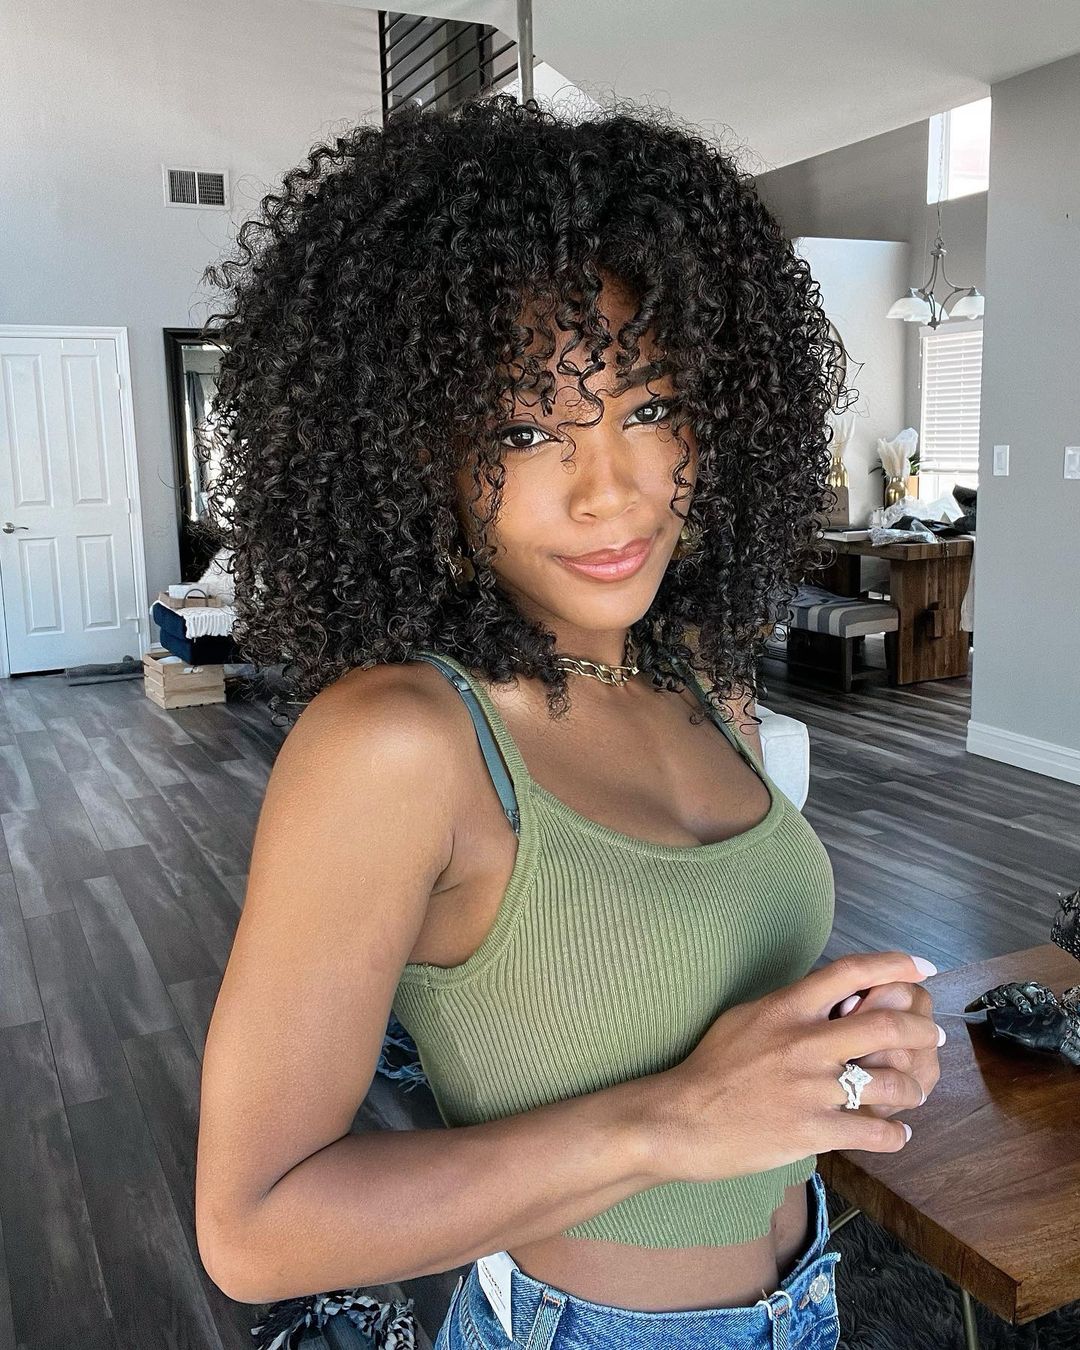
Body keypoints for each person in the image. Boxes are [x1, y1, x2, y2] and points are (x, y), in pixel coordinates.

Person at [193, 94, 942, 1350]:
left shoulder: (699, 674)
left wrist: (831, 1061)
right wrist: (673, 1120)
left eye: (649, 408)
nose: (611, 492)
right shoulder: (398, 744)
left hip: (810, 1294)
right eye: (528, 429)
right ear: (413, 453)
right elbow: (256, 1230)